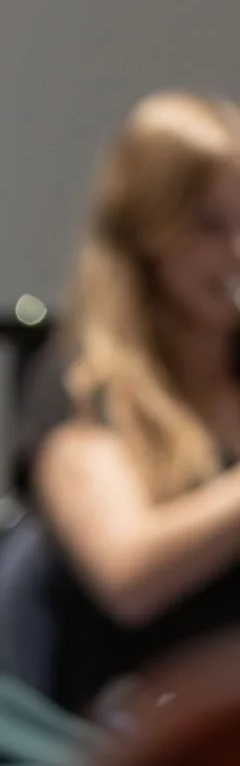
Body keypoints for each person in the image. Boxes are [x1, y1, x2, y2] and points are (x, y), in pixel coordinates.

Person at [18, 90, 240, 712]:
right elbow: (129, 576)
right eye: (209, 227)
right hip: (154, 733)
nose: (238, 254)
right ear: (147, 230)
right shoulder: (85, 384)